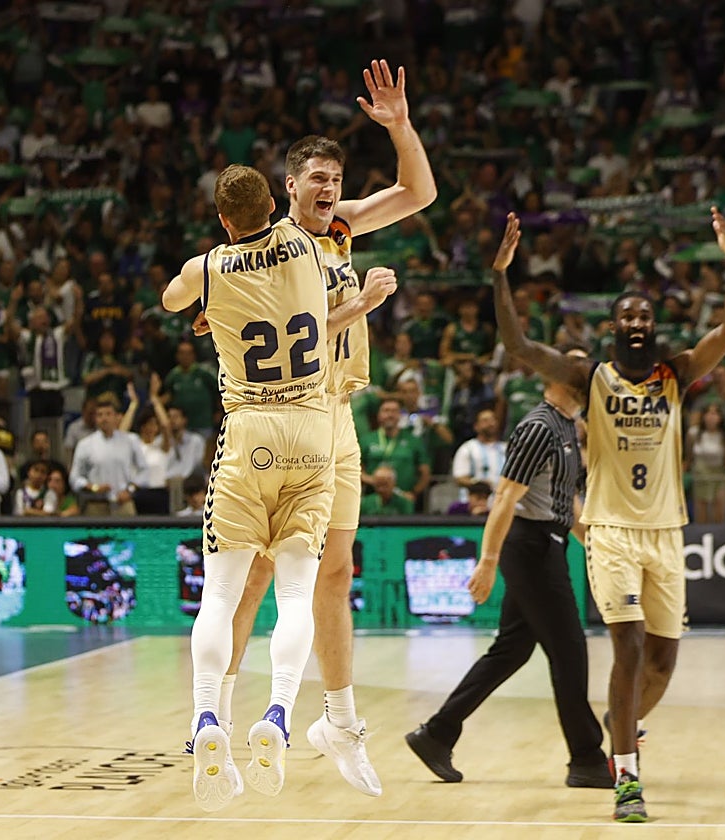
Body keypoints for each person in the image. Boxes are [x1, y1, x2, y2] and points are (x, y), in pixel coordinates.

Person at [222, 58, 436, 799]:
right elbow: (289, 327)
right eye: (318, 180)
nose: (330, 192)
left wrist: (400, 125)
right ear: (289, 186)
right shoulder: (273, 248)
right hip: (284, 417)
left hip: (337, 415)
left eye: (337, 182)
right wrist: (366, 307)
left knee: (335, 574)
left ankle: (338, 722)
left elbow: (418, 192)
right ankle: (212, 715)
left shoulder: (342, 230)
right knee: (255, 572)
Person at [492, 208, 725, 822]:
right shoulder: (589, 376)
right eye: (627, 316)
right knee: (628, 649)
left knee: (662, 663)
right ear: (613, 326)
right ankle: (627, 775)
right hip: (609, 531)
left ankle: (620, 724)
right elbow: (518, 346)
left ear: (653, 327)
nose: (637, 323)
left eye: (645, 317)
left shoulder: (676, 372)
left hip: (667, 531)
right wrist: (500, 275)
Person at [163, 164, 335, 811]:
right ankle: (280, 714)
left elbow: (171, 302)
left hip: (250, 430)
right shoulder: (306, 241)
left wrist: (215, 306)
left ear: (221, 220)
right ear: (275, 201)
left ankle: (208, 720)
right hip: (312, 430)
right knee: (295, 592)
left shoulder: (206, 267)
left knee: (224, 593)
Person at [406, 344, 614, 789]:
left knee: (511, 651)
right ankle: (588, 760)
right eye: (577, 365)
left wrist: (596, 545)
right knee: (570, 651)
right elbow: (504, 496)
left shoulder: (566, 427)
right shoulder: (538, 426)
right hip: (530, 546)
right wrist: (487, 560)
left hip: (547, 542)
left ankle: (437, 734)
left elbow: (565, 504)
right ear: (560, 376)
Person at [68, 394, 146, 517]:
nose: (104, 418)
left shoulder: (131, 441)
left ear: (116, 417)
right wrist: (94, 487)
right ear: (95, 419)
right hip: (96, 504)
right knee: (97, 537)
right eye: (100, 415)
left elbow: (144, 470)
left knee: (127, 536)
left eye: (108, 414)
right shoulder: (85, 444)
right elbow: (74, 478)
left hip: (123, 503)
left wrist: (130, 490)